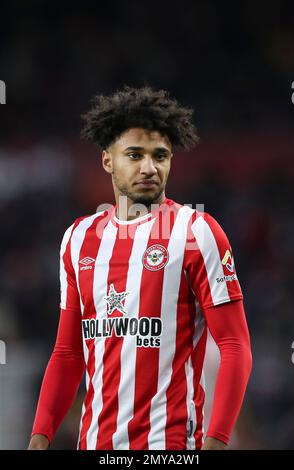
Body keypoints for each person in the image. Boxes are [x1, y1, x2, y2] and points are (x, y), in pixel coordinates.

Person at [28, 86, 252, 450]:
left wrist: (217, 441)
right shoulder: (77, 238)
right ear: (107, 161)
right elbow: (68, 352)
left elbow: (235, 344)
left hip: (169, 446)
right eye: (135, 155)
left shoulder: (196, 231)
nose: (149, 167)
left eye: (160, 155)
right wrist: (39, 438)